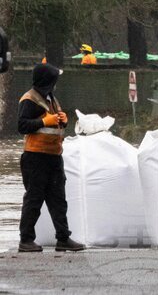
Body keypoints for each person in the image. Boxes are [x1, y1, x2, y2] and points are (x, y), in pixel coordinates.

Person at [17, 63, 85, 252]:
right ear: (48, 80)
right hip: (35, 158)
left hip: (54, 157)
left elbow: (54, 128)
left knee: (58, 200)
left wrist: (63, 121)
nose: (56, 84)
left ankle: (63, 238)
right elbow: (22, 125)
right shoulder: (29, 99)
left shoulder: (50, 99)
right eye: (54, 79)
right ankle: (26, 240)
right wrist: (43, 121)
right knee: (34, 199)